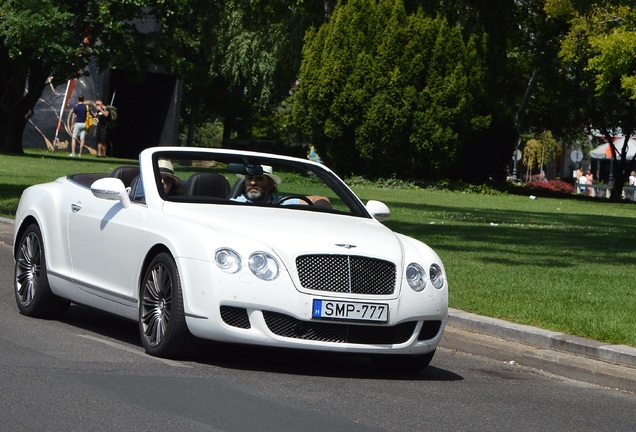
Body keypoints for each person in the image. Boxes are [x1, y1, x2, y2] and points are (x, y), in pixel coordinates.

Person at [233, 165, 331, 207]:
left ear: (271, 184)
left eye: (259, 179)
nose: (253, 183)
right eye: (249, 178)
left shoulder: (281, 203)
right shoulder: (234, 204)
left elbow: (321, 200)